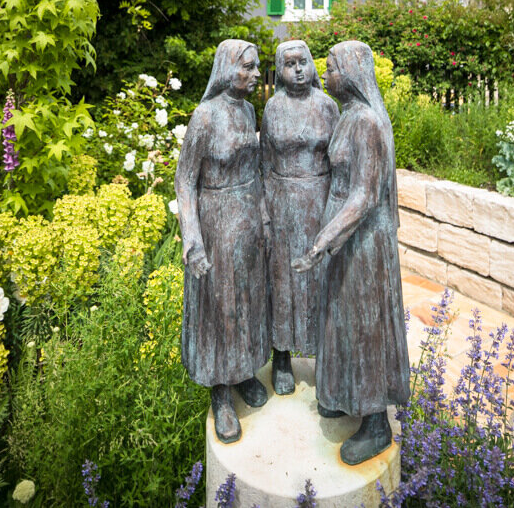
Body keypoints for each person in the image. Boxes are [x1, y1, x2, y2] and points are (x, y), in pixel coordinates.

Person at [293, 40, 411, 465]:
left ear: (352, 73)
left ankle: (376, 422)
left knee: (365, 325)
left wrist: (323, 242)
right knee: (340, 319)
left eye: (332, 68)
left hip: (362, 241)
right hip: (345, 235)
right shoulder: (350, 117)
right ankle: (344, 395)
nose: (326, 75)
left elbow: (363, 197)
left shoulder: (368, 124)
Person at [175, 39, 271, 444]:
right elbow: (185, 179)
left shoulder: (249, 110)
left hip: (247, 218)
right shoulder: (205, 116)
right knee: (222, 306)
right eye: (246, 67)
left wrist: (263, 216)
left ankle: (245, 370)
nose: (254, 75)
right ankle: (220, 394)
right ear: (226, 68)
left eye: (256, 68)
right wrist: (192, 239)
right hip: (216, 221)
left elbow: (256, 168)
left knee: (249, 300)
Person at [260, 40, 339, 395]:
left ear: (312, 65)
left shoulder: (328, 106)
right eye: (289, 64)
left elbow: (340, 161)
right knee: (283, 277)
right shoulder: (272, 107)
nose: (298, 70)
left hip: (320, 201)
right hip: (280, 201)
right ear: (280, 70)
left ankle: (325, 353)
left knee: (321, 277)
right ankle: (281, 355)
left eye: (303, 62)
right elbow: (263, 162)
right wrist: (264, 209)